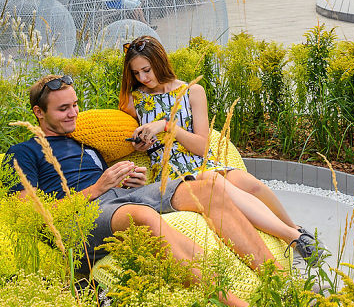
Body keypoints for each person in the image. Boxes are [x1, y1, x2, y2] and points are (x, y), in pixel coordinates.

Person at [6, 74, 288, 307]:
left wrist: (130, 181)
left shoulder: (86, 142)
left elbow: (112, 189)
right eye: (63, 109)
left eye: (76, 104)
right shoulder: (22, 152)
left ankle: (280, 283)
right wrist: (99, 188)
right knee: (140, 216)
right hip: (80, 218)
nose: (73, 113)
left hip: (120, 198)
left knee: (206, 186)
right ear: (39, 113)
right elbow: (28, 213)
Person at [118, 37, 321, 263]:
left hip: (202, 160)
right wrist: (140, 144)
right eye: (136, 73)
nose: (143, 78)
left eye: (146, 70)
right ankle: (292, 237)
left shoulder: (192, 91)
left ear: (160, 62)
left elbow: (203, 147)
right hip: (173, 172)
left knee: (252, 185)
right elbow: (132, 137)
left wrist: (168, 127)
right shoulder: (133, 99)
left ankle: (297, 230)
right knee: (217, 182)